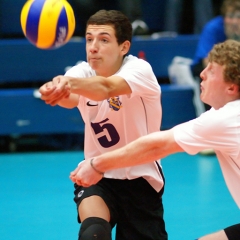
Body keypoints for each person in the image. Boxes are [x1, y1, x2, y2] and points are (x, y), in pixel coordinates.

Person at [70, 39, 240, 240]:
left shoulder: (227, 119)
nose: (202, 74)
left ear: (231, 88)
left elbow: (158, 145)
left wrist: (97, 164)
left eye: (211, 71)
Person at [39, 9, 167, 240]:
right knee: (94, 232)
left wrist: (68, 82)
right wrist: (54, 89)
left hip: (141, 180)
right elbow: (69, 98)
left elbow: (105, 89)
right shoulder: (82, 70)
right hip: (97, 174)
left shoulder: (139, 70)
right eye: (89, 39)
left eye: (104, 40)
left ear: (124, 47)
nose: (93, 47)